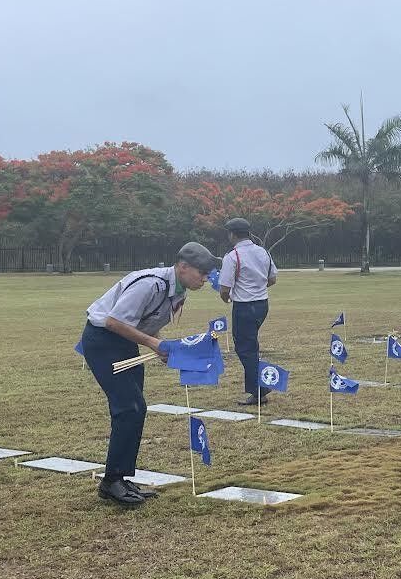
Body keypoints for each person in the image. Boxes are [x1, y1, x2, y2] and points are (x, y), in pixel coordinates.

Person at [81, 242, 220, 506]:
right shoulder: (151, 284)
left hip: (123, 342)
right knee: (129, 408)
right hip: (103, 341)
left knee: (136, 408)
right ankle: (111, 481)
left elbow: (145, 322)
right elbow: (113, 321)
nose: (205, 277)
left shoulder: (178, 292)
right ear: (183, 267)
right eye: (202, 272)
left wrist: (161, 344)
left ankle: (119, 477)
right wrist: (153, 344)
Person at [217, 217, 278, 405]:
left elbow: (225, 288)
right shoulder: (263, 252)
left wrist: (226, 298)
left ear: (232, 234)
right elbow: (272, 279)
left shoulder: (232, 256)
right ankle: (259, 388)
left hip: (244, 306)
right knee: (251, 345)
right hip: (262, 304)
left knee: (245, 348)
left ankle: (260, 390)